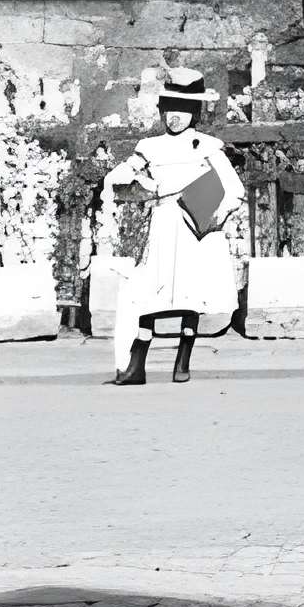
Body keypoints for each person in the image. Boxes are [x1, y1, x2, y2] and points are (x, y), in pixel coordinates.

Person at [103, 67, 246, 386]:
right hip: (159, 226)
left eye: (183, 109)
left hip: (194, 226)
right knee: (147, 294)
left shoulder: (207, 145)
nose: (175, 117)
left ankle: (183, 360)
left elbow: (234, 189)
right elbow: (127, 171)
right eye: (170, 108)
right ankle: (136, 364)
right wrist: (122, 179)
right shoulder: (150, 146)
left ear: (194, 112)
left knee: (189, 294)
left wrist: (213, 214)